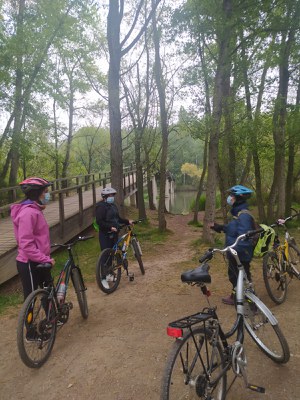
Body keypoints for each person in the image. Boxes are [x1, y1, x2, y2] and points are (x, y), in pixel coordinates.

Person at [11, 177, 55, 301]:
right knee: (30, 299)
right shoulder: (28, 213)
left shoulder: (36, 210)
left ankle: (51, 318)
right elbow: (26, 244)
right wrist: (45, 258)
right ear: (37, 194)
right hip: (29, 262)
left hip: (40, 260)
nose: (48, 194)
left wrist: (44, 258)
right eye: (45, 191)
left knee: (49, 292)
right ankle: (27, 321)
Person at [210, 185, 254, 305]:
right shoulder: (238, 213)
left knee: (241, 276)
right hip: (235, 251)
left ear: (238, 198)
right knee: (235, 276)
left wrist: (234, 251)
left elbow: (244, 236)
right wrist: (220, 227)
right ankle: (236, 296)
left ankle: (251, 303)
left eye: (232, 196)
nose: (230, 198)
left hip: (239, 252)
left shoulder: (243, 215)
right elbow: (233, 229)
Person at [95, 187, 133, 251]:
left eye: (113, 195)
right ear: (105, 196)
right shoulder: (101, 206)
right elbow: (99, 221)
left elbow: (118, 219)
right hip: (105, 234)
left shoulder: (113, 206)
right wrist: (110, 227)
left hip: (114, 233)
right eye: (110, 195)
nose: (112, 197)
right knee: (106, 254)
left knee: (114, 252)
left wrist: (127, 221)